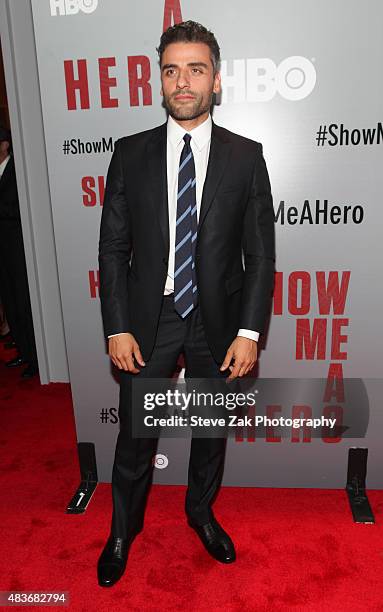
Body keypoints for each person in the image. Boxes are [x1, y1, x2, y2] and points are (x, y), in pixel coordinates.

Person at [97, 21, 275, 587]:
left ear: (216, 80)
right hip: (149, 320)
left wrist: (249, 334)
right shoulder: (130, 153)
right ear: (161, 80)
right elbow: (113, 247)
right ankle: (123, 530)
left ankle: (200, 512)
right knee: (135, 436)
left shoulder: (247, 157)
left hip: (218, 323)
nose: (183, 81)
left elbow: (261, 255)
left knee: (210, 431)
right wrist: (117, 326)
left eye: (195, 69)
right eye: (171, 70)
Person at [0, 126, 38, 378]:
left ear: (4, 144)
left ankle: (36, 358)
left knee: (24, 302)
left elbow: (18, 208)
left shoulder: (18, 170)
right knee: (10, 302)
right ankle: (23, 351)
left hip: (17, 248)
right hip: (2, 251)